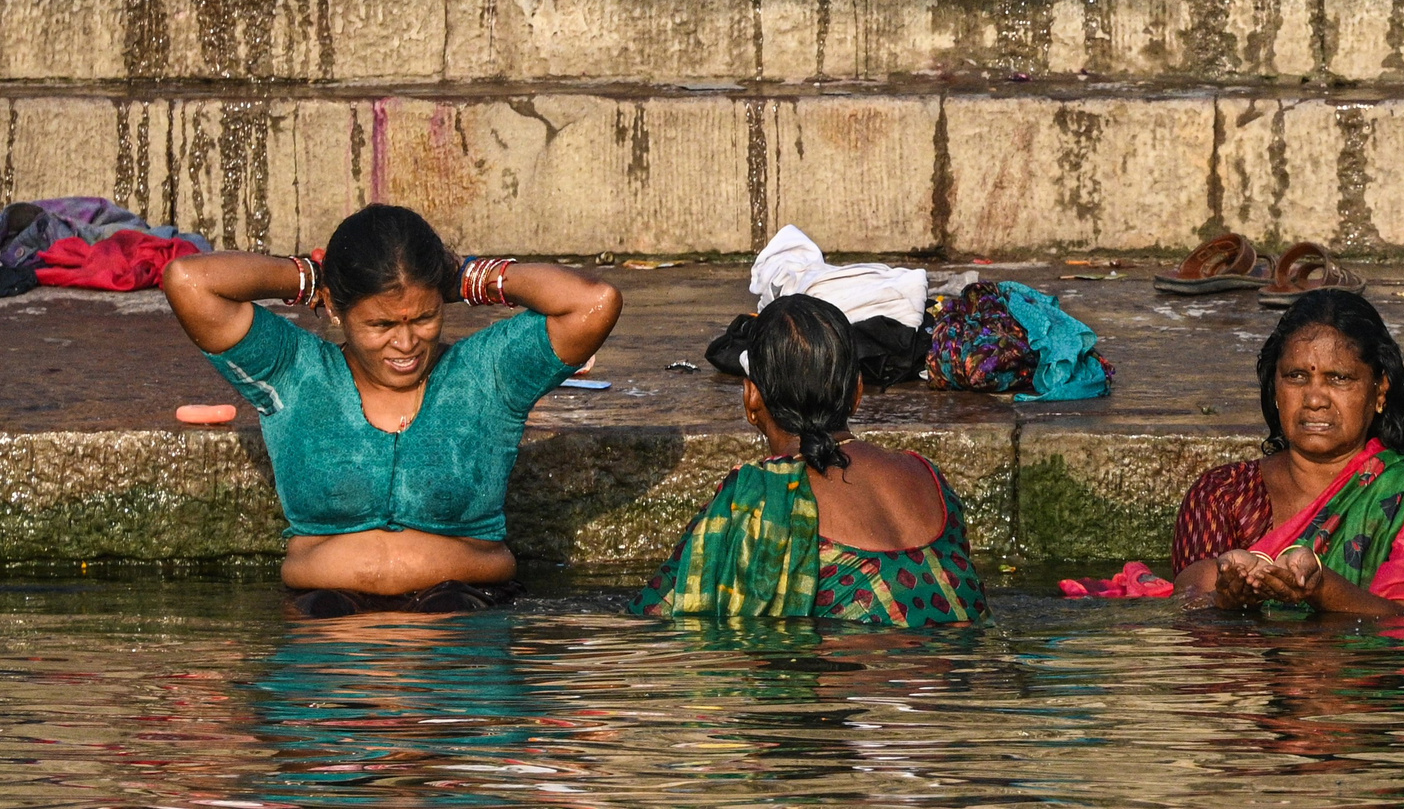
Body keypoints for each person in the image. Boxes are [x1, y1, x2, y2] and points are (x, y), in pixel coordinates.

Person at [161, 203, 622, 615]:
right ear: (336, 309)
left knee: (448, 610)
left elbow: (593, 302)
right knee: (325, 613)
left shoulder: (490, 372)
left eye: (425, 317)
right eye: (380, 324)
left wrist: (467, 276)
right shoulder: (291, 370)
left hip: (465, 614)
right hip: (326, 625)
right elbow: (189, 280)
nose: (405, 343)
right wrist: (311, 279)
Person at [633, 295, 988, 624]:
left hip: (854, 669)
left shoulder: (756, 498)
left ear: (751, 398)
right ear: (857, 392)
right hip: (960, 663)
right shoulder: (926, 474)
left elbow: (654, 613)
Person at [1171, 289, 1404, 617]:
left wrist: (1320, 587)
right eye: (1296, 377)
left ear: (1380, 390)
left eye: (1339, 378)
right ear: (1275, 388)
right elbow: (1189, 619)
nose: (1314, 399)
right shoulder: (1224, 496)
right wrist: (1225, 601)